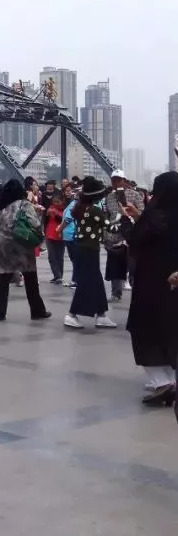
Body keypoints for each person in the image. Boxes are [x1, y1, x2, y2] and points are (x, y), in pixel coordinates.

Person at [124, 172, 178, 406]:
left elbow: (136, 241)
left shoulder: (154, 215)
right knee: (171, 330)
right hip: (174, 284)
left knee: (145, 331)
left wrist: (135, 219)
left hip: (150, 284)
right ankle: (172, 379)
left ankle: (162, 382)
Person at [0, 179, 50, 322]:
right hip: (21, 246)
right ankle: (37, 311)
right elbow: (35, 224)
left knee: (2, 280)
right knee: (30, 279)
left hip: (2, 248)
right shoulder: (24, 204)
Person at [65, 176, 119, 330]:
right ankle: (71, 314)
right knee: (87, 282)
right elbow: (111, 228)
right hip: (90, 250)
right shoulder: (95, 211)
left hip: (83, 248)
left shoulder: (80, 208)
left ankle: (101, 315)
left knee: (96, 281)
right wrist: (124, 218)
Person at [104, 169, 142, 302]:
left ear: (124, 181)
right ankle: (116, 293)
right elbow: (107, 216)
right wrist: (106, 235)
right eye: (114, 180)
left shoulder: (135, 195)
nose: (116, 183)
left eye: (119, 180)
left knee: (134, 267)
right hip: (115, 237)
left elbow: (142, 214)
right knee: (115, 267)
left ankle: (138, 295)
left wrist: (132, 213)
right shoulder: (109, 197)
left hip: (132, 237)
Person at [44, 193, 67, 284]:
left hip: (60, 235)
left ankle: (59, 275)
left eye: (57, 202)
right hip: (49, 234)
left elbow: (63, 221)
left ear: (62, 201)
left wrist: (56, 214)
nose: (55, 204)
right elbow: (45, 221)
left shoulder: (65, 210)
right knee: (51, 256)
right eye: (54, 202)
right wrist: (47, 214)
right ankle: (57, 275)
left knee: (59, 257)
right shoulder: (50, 208)